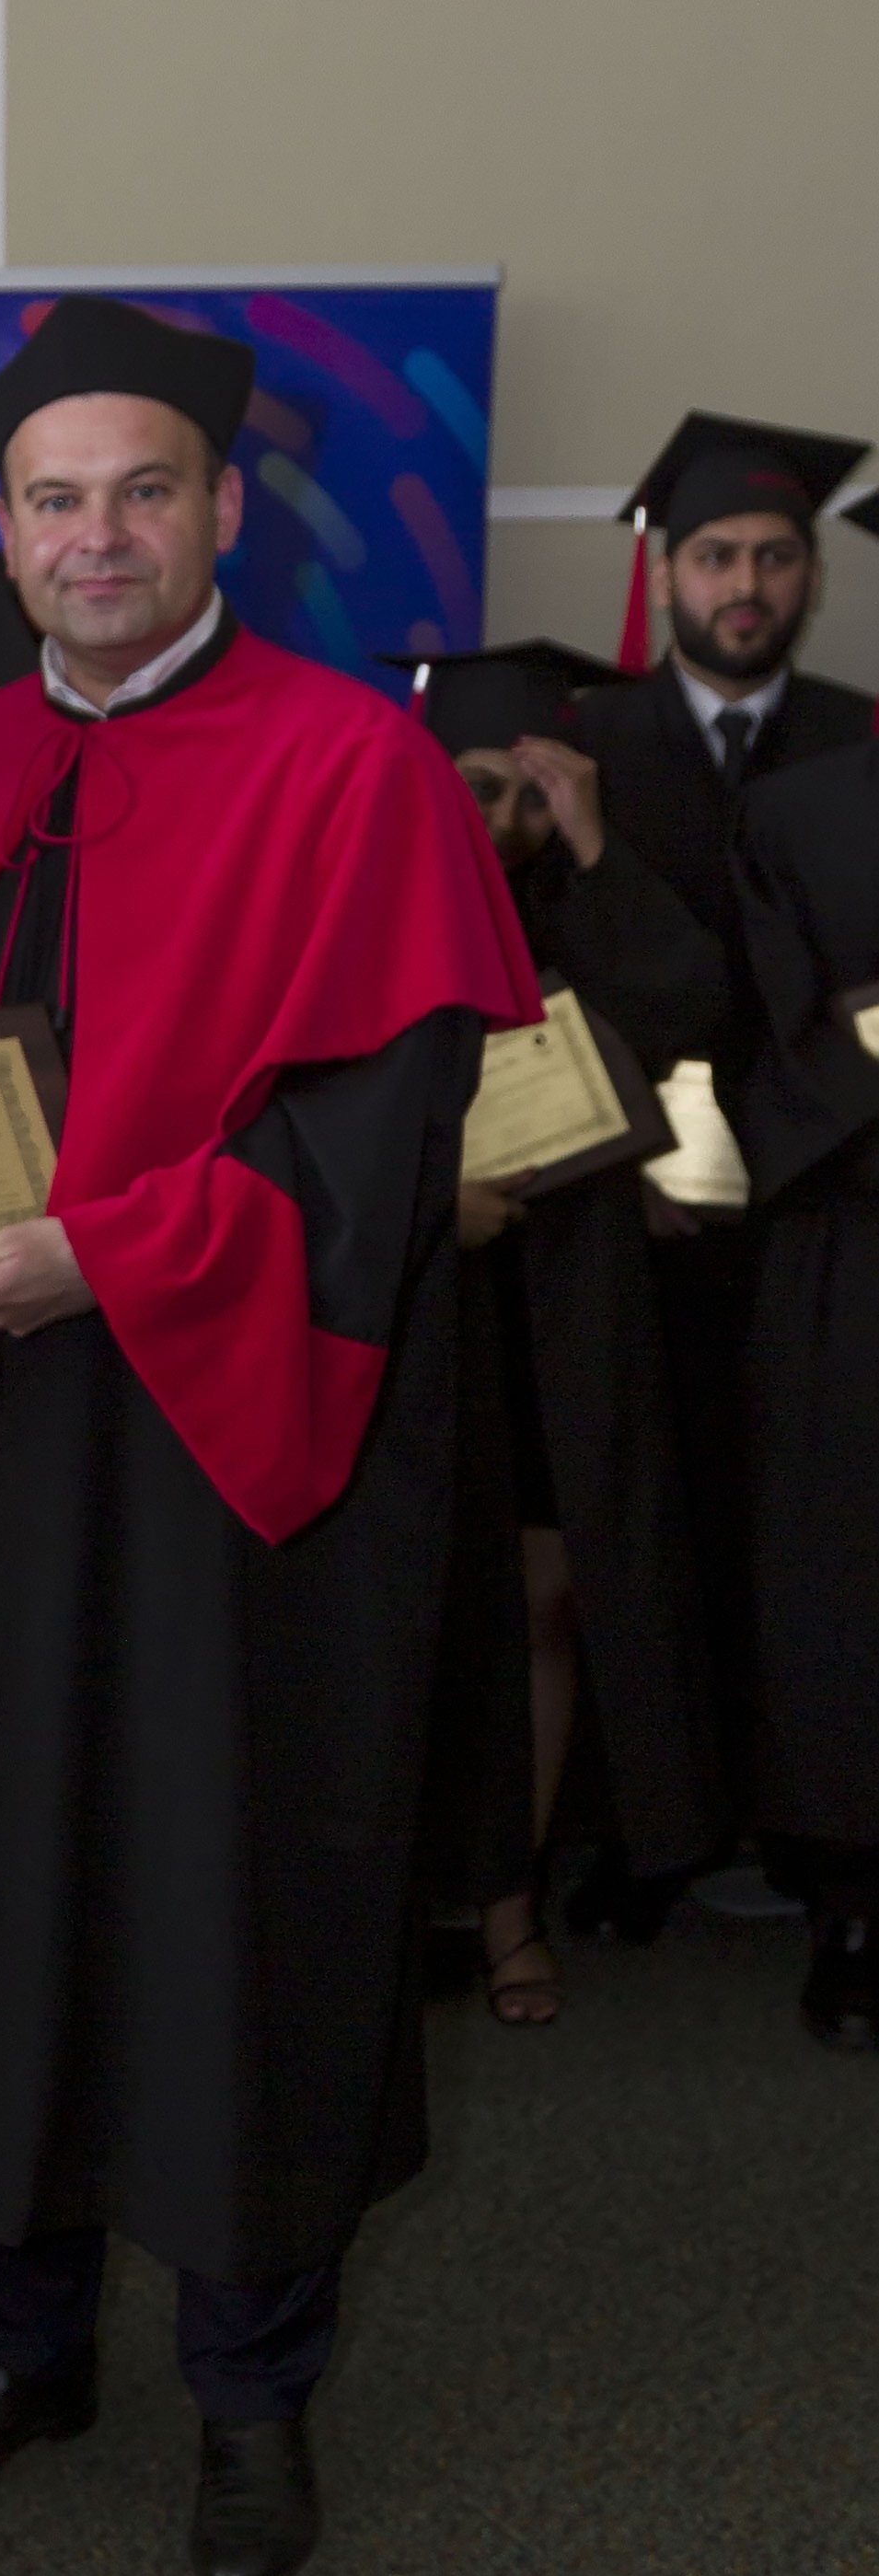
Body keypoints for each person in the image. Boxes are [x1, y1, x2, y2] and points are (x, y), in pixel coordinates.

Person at [0, 296, 538, 2576]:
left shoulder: (352, 770)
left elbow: (375, 1153)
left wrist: (102, 1258)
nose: (97, 535)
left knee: (237, 1909)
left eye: (143, 492)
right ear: (7, 529)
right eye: (56, 499)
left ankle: (250, 2389)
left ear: (224, 508)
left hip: (238, 1459)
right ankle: (16, 2344)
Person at [568, 413, 874, 1931]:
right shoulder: (586, 745)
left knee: (809, 1521)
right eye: (713, 556)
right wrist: (614, 1155)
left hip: (829, 1191)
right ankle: (650, 1828)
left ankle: (809, 1829)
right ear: (665, 571)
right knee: (650, 1507)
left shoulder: (854, 737)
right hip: (638, 1198)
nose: (742, 584)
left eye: (772, 556)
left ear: (811, 575)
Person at [406, 644, 726, 2025]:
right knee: (417, 1604)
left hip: (559, 1300)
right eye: (479, 785)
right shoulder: (378, 889)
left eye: (531, 791)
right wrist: (431, 1201)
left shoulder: (582, 898)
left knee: (541, 1597)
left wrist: (592, 842)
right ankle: (396, 1900)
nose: (505, 817)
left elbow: (689, 1009)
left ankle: (510, 1906)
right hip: (417, 1289)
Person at [718, 725, 879, 2046]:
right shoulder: (792, 814)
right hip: (852, 1240)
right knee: (843, 1574)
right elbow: (767, 1034)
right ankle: (855, 1900)